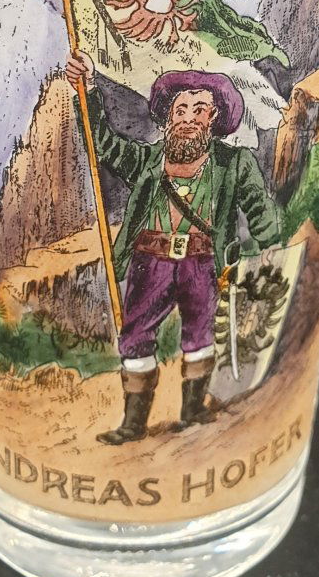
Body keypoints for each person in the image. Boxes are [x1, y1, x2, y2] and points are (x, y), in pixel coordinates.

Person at [65, 51, 279, 444]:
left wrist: (270, 250)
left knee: (200, 335)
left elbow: (259, 208)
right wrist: (89, 89)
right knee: (135, 336)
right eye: (180, 110)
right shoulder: (147, 161)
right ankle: (133, 424)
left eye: (199, 110)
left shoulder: (234, 163)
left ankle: (193, 410)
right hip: (151, 263)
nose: (188, 118)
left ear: (214, 118)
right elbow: (103, 144)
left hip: (203, 263)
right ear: (168, 118)